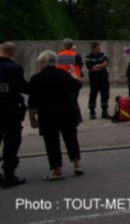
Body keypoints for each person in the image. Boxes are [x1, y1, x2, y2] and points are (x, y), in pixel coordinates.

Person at [29, 50, 83, 181]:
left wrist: (32, 118)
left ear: (41, 63)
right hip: (67, 111)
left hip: (47, 115)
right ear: (55, 62)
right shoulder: (63, 74)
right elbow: (77, 85)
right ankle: (77, 164)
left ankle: (57, 170)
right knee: (71, 138)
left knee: (51, 142)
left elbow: (32, 101)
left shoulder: (36, 78)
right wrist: (73, 73)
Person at [0, 42, 29, 188]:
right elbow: (23, 87)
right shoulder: (15, 68)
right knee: (11, 142)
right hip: (11, 110)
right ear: (13, 52)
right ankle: (9, 174)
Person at [85, 42, 111, 119]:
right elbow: (91, 68)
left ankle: (104, 111)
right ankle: (92, 112)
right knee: (93, 94)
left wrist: (98, 66)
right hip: (94, 80)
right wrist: (100, 66)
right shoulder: (88, 57)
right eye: (98, 48)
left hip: (103, 79)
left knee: (105, 94)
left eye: (99, 48)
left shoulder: (103, 55)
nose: (99, 49)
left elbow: (106, 63)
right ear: (93, 49)